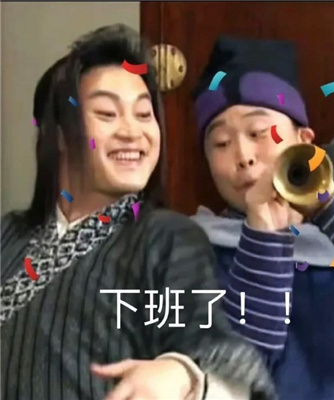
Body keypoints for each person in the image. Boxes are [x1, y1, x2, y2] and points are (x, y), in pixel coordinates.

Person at [0, 26, 278, 400]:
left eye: (144, 114)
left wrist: (183, 375)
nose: (133, 131)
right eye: (107, 113)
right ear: (60, 135)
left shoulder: (167, 238)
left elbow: (222, 359)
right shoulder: (8, 235)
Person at [191, 35, 334, 400]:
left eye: (259, 133)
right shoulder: (193, 255)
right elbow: (231, 378)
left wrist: (329, 205)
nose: (243, 155)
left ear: (303, 141)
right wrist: (263, 237)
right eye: (221, 143)